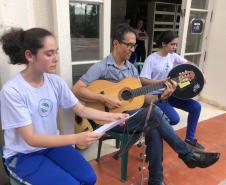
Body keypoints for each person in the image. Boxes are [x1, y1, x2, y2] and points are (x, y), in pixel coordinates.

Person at [73, 24, 220, 185]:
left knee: (154, 124)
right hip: (109, 119)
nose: (132, 49)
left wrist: (162, 96)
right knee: (155, 117)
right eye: (128, 44)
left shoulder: (131, 70)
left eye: (134, 45)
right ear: (116, 43)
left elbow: (142, 99)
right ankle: (187, 155)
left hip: (130, 116)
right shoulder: (102, 66)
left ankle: (156, 180)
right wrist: (104, 99)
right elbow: (77, 89)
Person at [0, 27, 129, 185]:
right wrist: (77, 138)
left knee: (90, 178)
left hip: (52, 146)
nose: (56, 58)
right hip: (23, 155)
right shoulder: (12, 91)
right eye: (49, 53)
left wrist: (112, 117)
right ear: (29, 55)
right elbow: (31, 139)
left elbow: (80, 109)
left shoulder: (55, 82)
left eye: (56, 52)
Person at [140, 31, 205, 152]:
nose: (175, 47)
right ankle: (151, 134)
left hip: (171, 93)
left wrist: (199, 73)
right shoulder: (151, 59)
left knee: (195, 107)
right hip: (156, 96)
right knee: (174, 119)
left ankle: (190, 139)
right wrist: (161, 82)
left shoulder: (173, 56)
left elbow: (187, 64)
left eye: (176, 44)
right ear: (164, 44)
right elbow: (142, 80)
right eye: (172, 44)